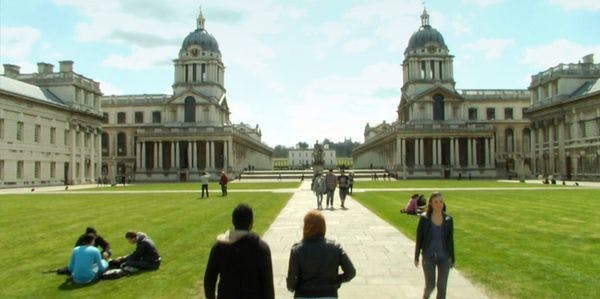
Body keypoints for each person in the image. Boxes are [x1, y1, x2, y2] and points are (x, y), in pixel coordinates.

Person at [204, 204, 274, 299]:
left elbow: (209, 281)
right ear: (251, 223)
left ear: (233, 221)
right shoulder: (261, 248)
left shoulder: (219, 248)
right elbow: (268, 286)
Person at [286, 210, 355, 298]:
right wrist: (336, 281)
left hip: (304, 294)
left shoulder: (297, 250)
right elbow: (351, 272)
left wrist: (292, 287)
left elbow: (292, 281)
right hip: (329, 294)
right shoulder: (335, 247)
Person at [414, 192, 455, 299]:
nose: (439, 204)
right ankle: (425, 296)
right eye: (436, 202)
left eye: (441, 202)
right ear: (431, 204)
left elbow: (450, 240)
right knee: (430, 285)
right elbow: (419, 238)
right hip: (428, 257)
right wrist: (416, 256)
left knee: (442, 288)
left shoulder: (448, 219)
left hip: (444, 258)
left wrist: (452, 258)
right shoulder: (424, 219)